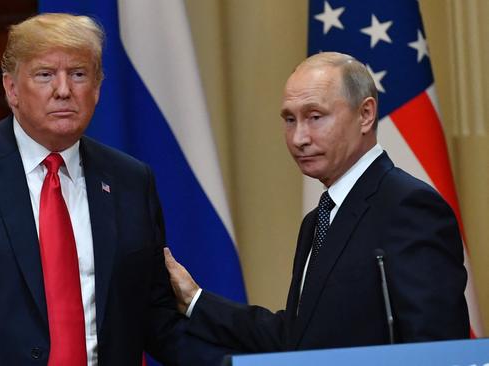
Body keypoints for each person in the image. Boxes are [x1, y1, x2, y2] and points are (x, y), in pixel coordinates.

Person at [0, 13, 188, 366]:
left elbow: (156, 317)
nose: (63, 90)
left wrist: (253, 349)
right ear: (11, 88)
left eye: (78, 74)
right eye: (45, 75)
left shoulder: (130, 180)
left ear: (98, 87)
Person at [164, 52, 470, 354]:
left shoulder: (409, 207)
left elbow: (438, 350)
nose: (299, 138)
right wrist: (195, 299)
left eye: (315, 117)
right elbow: (298, 339)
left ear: (365, 114)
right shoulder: (318, 219)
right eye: (289, 119)